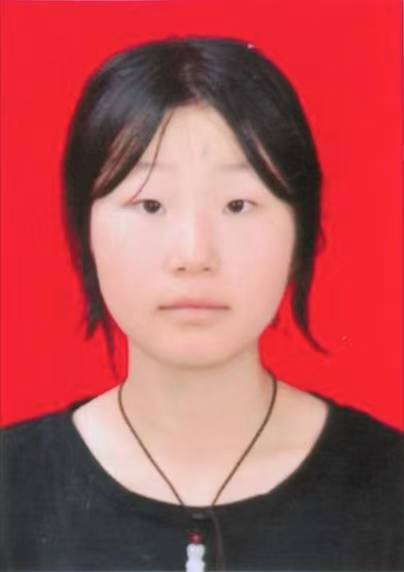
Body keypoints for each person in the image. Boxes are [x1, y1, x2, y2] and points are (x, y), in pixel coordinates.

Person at [1, 36, 403, 572]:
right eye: (150, 204)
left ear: (300, 234)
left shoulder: (390, 485)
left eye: (238, 205)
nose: (194, 255)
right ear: (87, 233)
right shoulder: (13, 488)